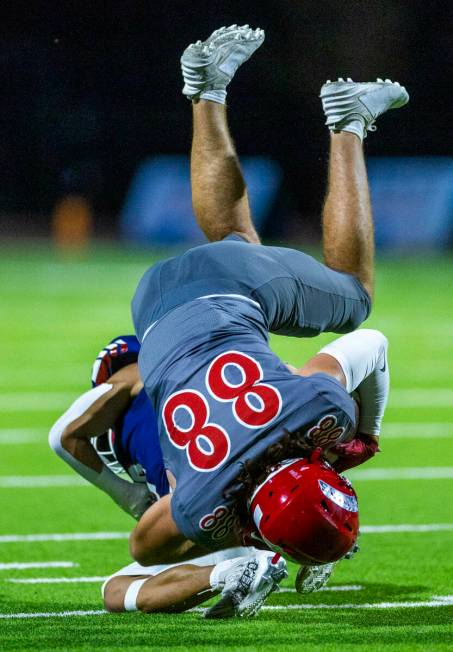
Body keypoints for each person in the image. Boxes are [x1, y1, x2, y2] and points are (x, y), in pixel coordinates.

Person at [127, 23, 405, 571]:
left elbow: (369, 345)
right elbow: (142, 547)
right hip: (152, 311)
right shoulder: (198, 506)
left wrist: (362, 438)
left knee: (356, 298)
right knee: (238, 244)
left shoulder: (318, 410)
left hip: (222, 292)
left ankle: (347, 120)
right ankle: (208, 91)